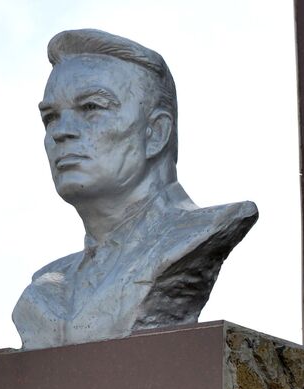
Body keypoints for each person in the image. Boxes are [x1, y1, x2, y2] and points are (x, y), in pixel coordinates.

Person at [13, 28, 258, 349]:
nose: (61, 132)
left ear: (156, 132)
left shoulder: (196, 237)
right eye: (51, 117)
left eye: (91, 108)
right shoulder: (48, 288)